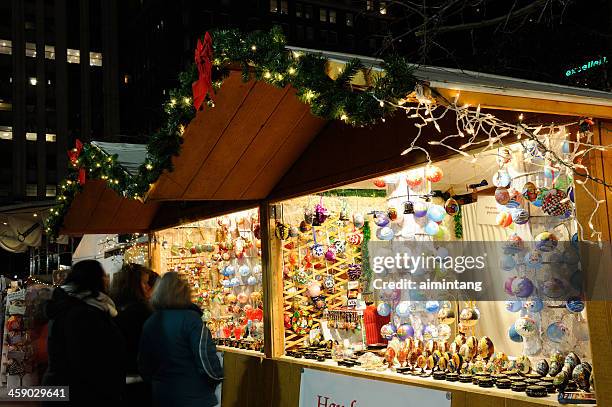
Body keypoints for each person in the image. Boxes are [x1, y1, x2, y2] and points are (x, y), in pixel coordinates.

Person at [43, 259, 126, 405]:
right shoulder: (82, 312)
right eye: (104, 275)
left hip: (68, 388)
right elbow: (86, 359)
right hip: (81, 393)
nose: (107, 279)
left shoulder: (70, 305)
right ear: (95, 279)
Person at [138, 272, 223, 407]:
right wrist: (217, 378)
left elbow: (144, 365)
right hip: (194, 396)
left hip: (162, 396)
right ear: (184, 293)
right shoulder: (191, 320)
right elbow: (205, 359)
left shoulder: (151, 322)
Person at [110, 264, 158, 405]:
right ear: (134, 285)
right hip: (139, 380)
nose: (147, 287)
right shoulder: (142, 312)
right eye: (144, 282)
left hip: (117, 381)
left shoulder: (112, 308)